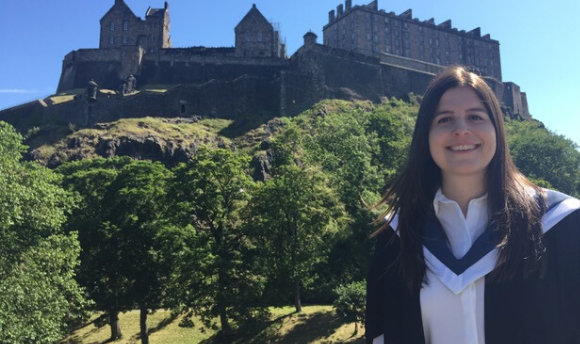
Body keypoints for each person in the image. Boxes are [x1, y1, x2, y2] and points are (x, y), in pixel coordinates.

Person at [365, 65, 580, 344]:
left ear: (497, 130)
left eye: (475, 117)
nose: (461, 130)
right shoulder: (397, 237)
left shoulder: (562, 224)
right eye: (444, 120)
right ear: (425, 136)